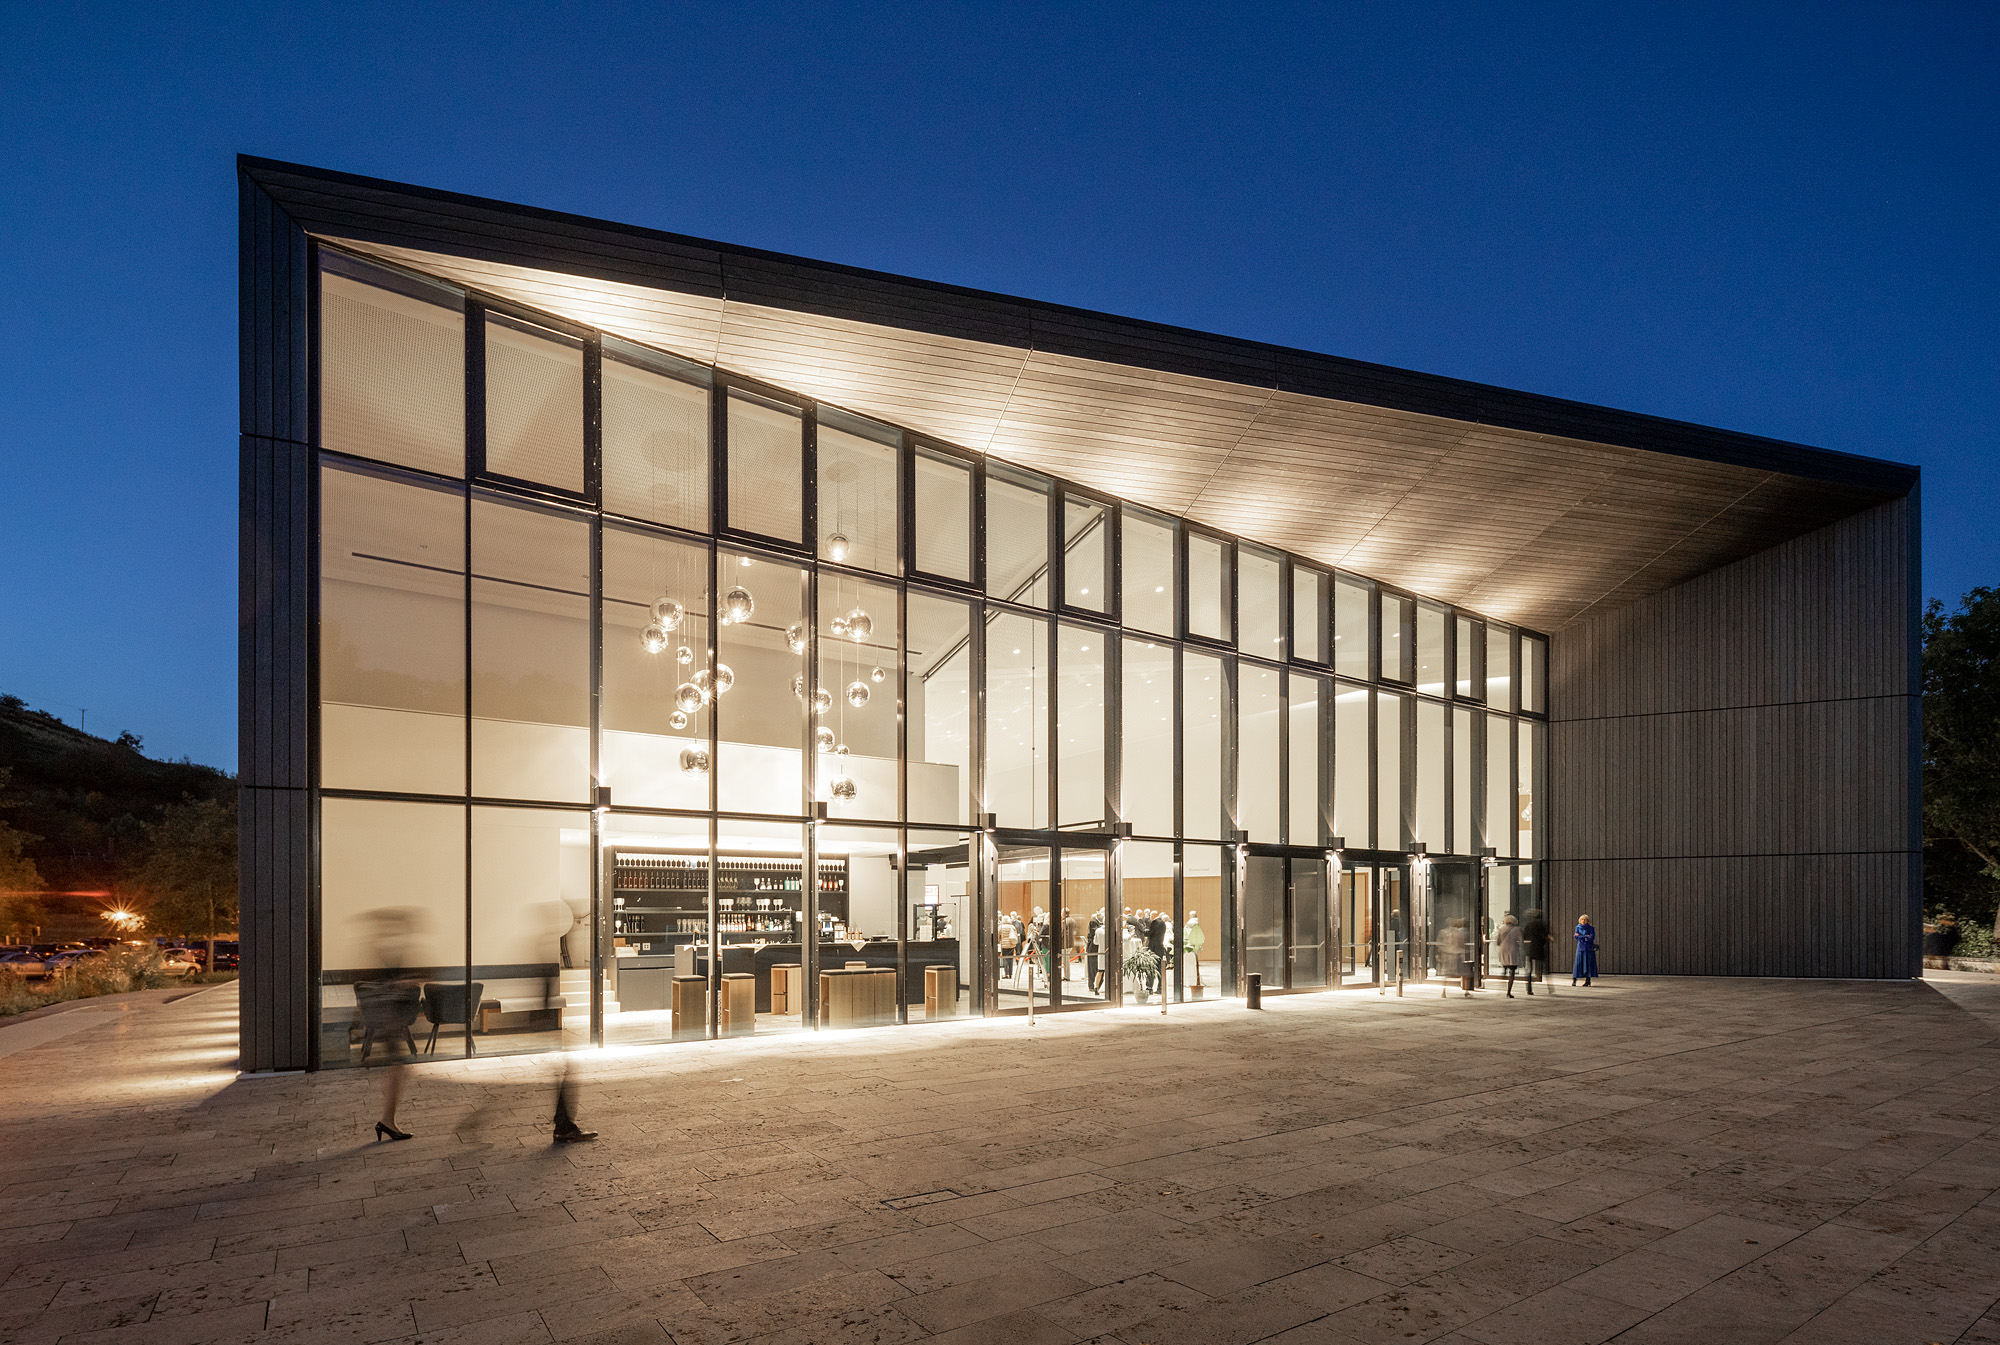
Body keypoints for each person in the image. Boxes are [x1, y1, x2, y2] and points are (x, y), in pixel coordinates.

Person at [1493, 913, 1524, 998]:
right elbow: (1521, 941)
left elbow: (1498, 942)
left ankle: (1500, 985)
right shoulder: (1517, 929)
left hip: (1503, 950)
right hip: (1513, 951)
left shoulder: (1501, 929)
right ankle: (1508, 991)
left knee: (1505, 967)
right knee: (1512, 971)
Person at [1521, 908, 1550, 996]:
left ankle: (1529, 989)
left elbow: (1525, 935)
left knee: (1529, 969)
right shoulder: (1542, 924)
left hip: (1530, 948)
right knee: (1544, 967)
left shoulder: (1529, 924)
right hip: (1540, 948)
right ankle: (1550, 988)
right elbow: (1545, 935)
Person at [1572, 913, 1600, 987]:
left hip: (1588, 949)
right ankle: (1574, 980)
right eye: (1582, 919)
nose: (1583, 921)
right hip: (1580, 948)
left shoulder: (1591, 928)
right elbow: (1576, 936)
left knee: (1588, 964)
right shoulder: (1577, 927)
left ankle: (1588, 981)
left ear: (1588, 921)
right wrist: (1585, 936)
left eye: (1585, 920)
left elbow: (1591, 938)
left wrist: (1582, 937)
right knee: (1578, 964)